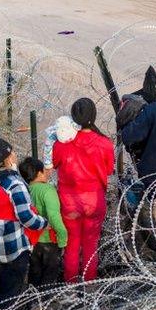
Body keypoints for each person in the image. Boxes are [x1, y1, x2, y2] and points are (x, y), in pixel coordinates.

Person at [0, 136, 47, 306]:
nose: (15, 154)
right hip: (12, 248)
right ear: (7, 158)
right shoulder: (14, 184)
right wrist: (44, 222)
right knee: (10, 291)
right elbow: (27, 218)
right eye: (12, 152)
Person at [52, 98, 114, 283]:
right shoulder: (105, 143)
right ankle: (90, 285)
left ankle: (70, 285)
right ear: (93, 116)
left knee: (71, 246)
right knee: (91, 245)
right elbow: (109, 169)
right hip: (94, 200)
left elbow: (54, 163)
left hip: (69, 202)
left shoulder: (62, 143)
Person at [19, 157, 67, 287]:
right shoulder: (47, 190)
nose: (47, 173)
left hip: (33, 240)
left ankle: (31, 301)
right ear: (39, 173)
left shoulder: (26, 190)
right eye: (44, 170)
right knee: (49, 274)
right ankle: (45, 303)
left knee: (35, 273)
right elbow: (54, 216)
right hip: (49, 241)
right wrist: (63, 237)